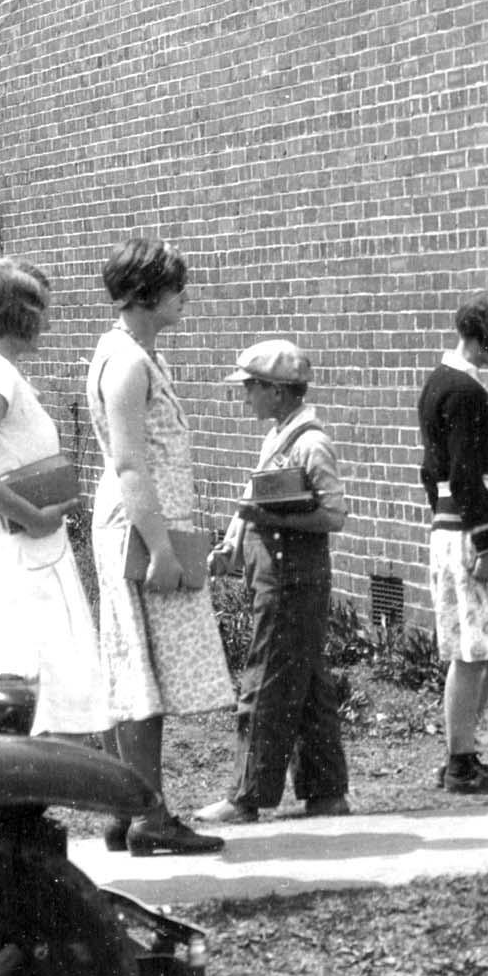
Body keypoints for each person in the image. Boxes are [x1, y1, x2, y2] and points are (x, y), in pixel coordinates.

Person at [0, 256, 120, 788]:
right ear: (18, 315)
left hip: (35, 559)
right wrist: (34, 515)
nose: (48, 321)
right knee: (41, 713)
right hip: (23, 565)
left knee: (55, 712)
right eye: (40, 310)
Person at [84, 239, 233, 854]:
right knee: (141, 675)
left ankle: (128, 808)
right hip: (139, 530)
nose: (184, 297)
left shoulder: (139, 354)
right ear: (147, 294)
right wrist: (162, 549)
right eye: (175, 288)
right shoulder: (126, 362)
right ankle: (148, 815)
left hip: (147, 525)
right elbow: (129, 465)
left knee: (140, 671)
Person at [201, 336, 349, 821]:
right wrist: (231, 544)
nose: (245, 397)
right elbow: (254, 502)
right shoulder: (279, 436)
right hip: (279, 577)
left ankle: (247, 796)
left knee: (264, 682)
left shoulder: (310, 443)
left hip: (292, 580)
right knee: (306, 685)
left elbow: (333, 515)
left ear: (279, 392)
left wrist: (273, 522)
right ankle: (325, 791)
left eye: (251, 388)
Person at [417, 294, 488, 796]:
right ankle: (461, 759)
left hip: (453, 527)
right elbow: (466, 475)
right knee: (474, 652)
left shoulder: (440, 382)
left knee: (487, 648)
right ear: (485, 336)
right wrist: (486, 544)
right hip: (471, 532)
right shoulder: (465, 392)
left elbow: (431, 474)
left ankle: (462, 752)